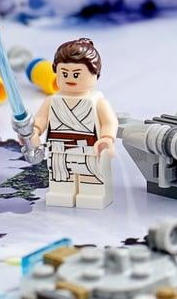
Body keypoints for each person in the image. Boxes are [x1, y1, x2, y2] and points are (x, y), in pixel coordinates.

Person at [29, 38, 117, 209]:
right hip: (58, 148)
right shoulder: (52, 100)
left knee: (91, 175)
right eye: (64, 73)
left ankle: (92, 194)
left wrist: (107, 138)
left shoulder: (98, 101)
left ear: (95, 73)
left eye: (76, 74)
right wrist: (36, 130)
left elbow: (109, 122)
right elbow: (41, 118)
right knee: (60, 175)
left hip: (90, 148)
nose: (70, 78)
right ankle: (61, 193)